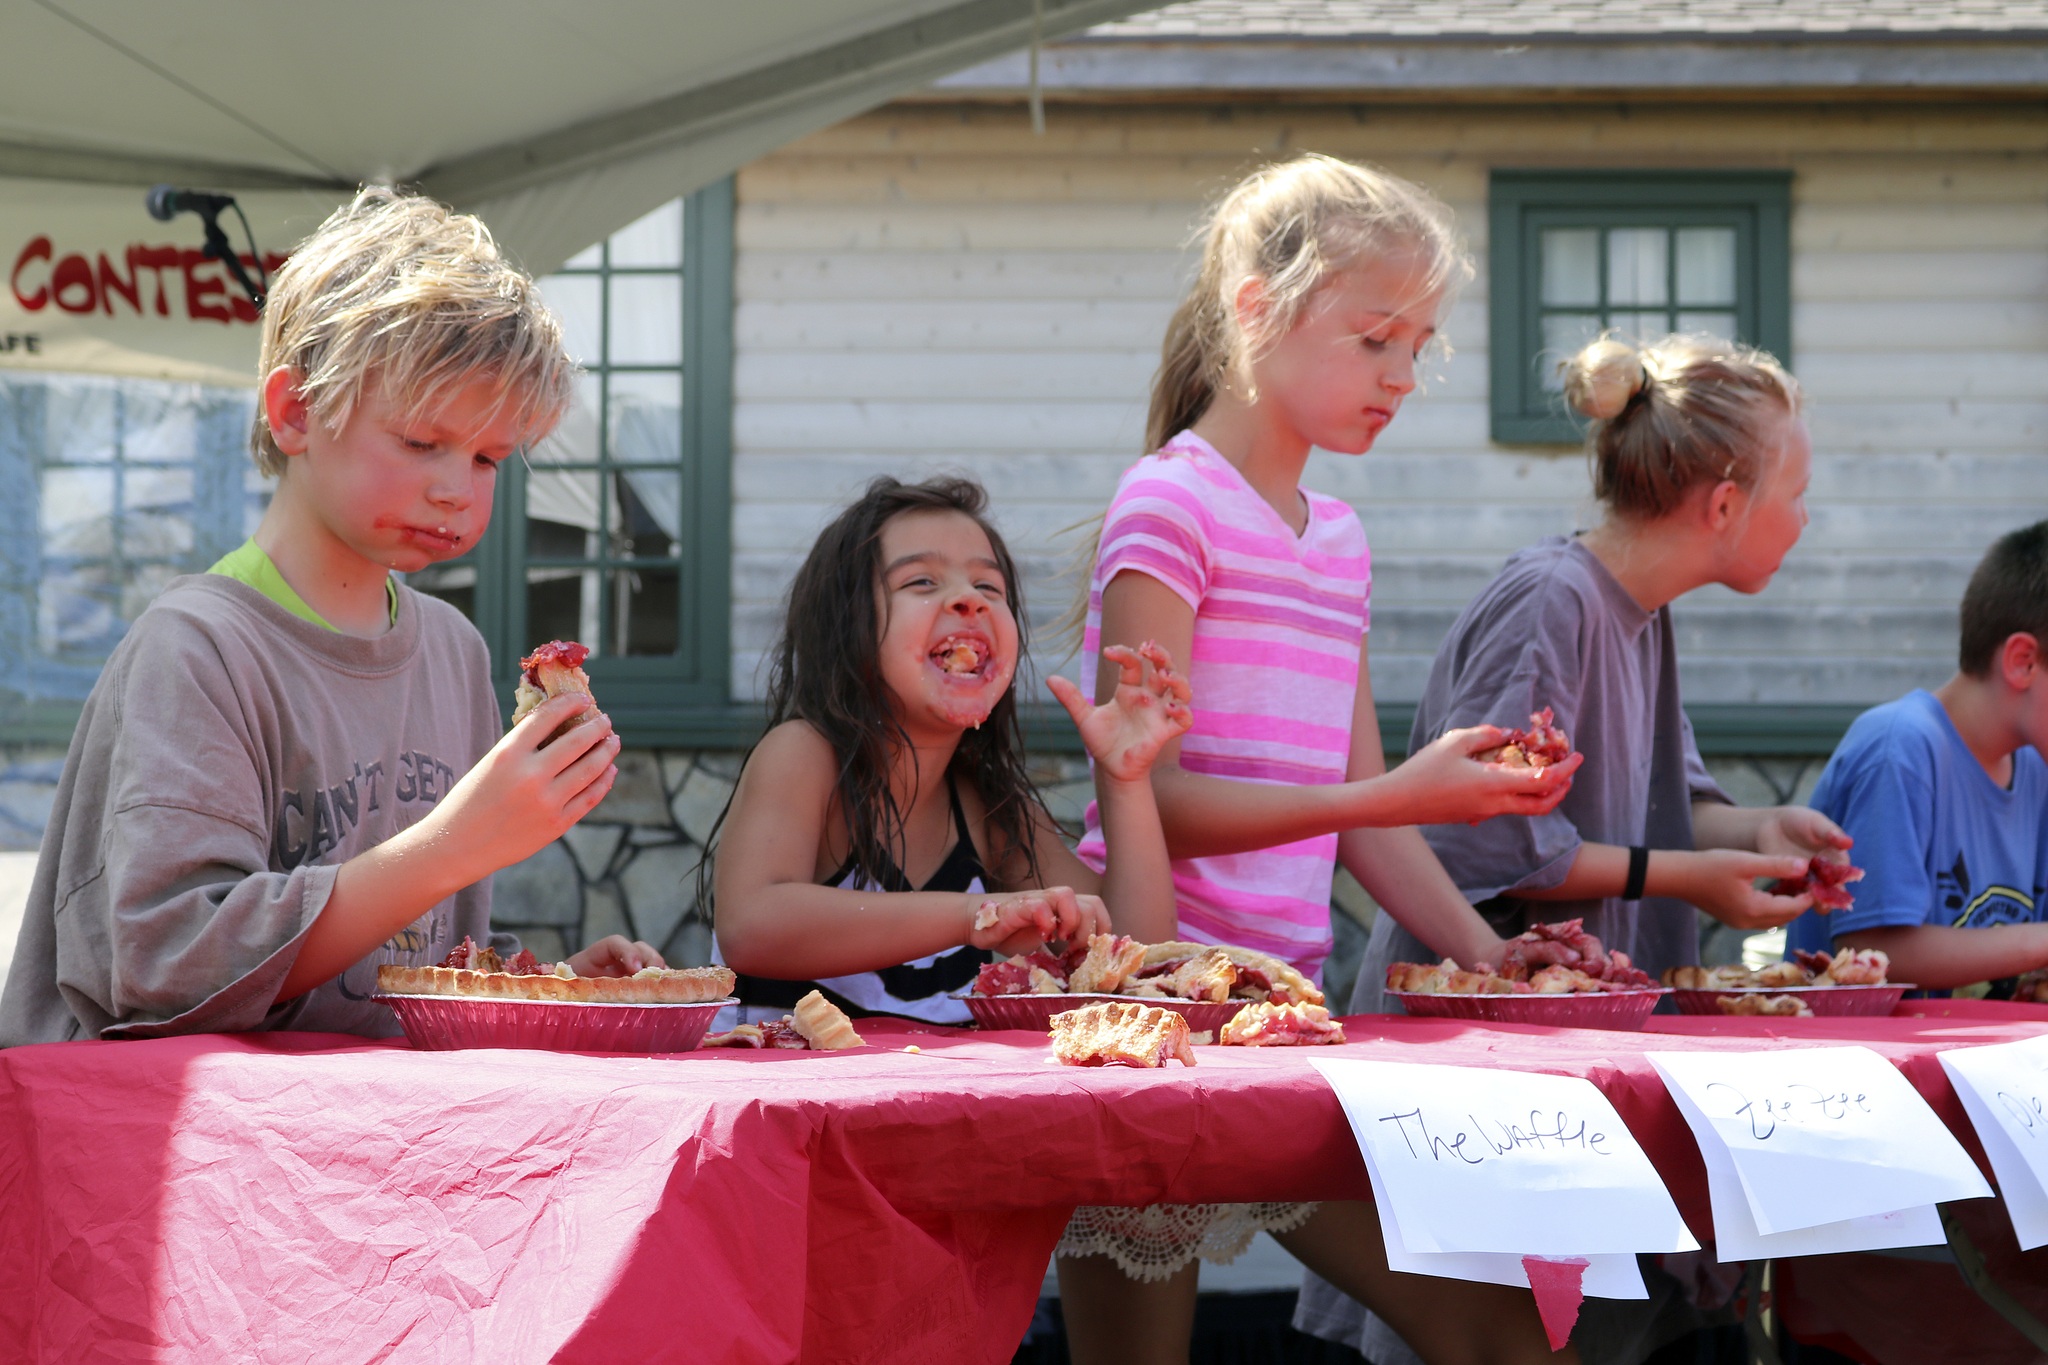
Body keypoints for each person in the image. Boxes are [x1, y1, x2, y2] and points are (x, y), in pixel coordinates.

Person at [1065, 153, 1580, 1365]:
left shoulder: (1337, 539)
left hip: (1280, 1023)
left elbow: (1361, 821)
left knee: (1504, 1338)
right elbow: (1150, 798)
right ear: (1256, 308)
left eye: (1419, 346)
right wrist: (1393, 791)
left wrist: (1489, 959)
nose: (1401, 376)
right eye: (1374, 339)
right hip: (1148, 1018)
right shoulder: (1167, 507)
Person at [1299, 332, 1852, 1365]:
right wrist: (1695, 880)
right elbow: (1494, 844)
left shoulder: (1639, 611)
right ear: (1722, 506)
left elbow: (1664, 808)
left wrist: (1759, 833)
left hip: (1569, 1068)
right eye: (1798, 492)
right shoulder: (1552, 601)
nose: (1805, 518)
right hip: (1479, 1076)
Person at [0, 188, 656, 1048]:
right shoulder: (197, 649)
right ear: (296, 411)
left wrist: (550, 984)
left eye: (489, 457)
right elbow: (169, 968)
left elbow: (408, 966)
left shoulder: (455, 653)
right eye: (421, 442)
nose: (456, 488)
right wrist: (455, 843)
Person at [708, 475, 1188, 1028]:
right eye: (921, 581)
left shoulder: (989, 810)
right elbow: (751, 926)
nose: (969, 600)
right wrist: (972, 915)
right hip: (787, 1082)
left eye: (989, 587)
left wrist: (1126, 779)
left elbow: (1140, 959)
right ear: (848, 626)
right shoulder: (804, 754)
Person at [1786, 519, 2048, 991]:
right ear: (2023, 662)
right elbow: (1873, 952)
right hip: (1853, 1040)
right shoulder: (1900, 748)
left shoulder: (2035, 767)